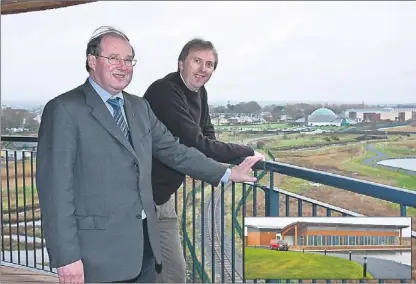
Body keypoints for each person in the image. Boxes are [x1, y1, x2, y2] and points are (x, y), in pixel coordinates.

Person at [35, 27, 263, 284]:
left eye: (128, 59)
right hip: (98, 254)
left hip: (143, 245)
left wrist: (228, 173)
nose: (122, 66)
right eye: (113, 58)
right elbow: (55, 191)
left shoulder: (138, 108)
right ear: (92, 61)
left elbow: (175, 151)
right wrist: (66, 257)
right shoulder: (64, 110)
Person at [143, 38, 266, 283]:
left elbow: (207, 134)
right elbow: (196, 142)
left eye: (209, 64)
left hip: (162, 198)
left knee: (174, 272)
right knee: (142, 271)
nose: (203, 69)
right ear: (181, 64)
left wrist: (220, 156)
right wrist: (248, 150)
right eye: (197, 61)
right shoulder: (165, 91)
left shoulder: (199, 92)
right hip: (138, 197)